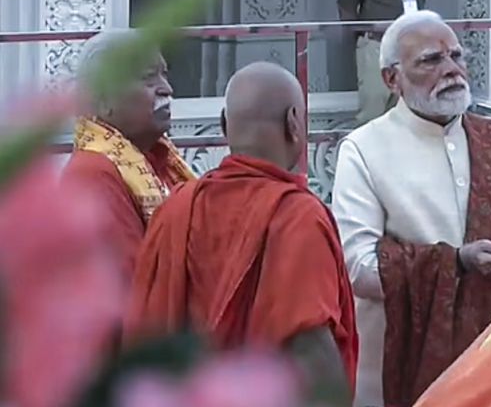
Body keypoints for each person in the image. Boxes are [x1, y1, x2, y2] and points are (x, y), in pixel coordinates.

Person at [331, 11, 491, 407]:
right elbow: (358, 268)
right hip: (404, 371)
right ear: (392, 79)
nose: (452, 70)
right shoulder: (363, 150)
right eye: (431, 60)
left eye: (456, 56)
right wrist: (459, 262)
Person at [125, 62, 357, 400]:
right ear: (294, 123)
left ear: (223, 125)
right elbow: (311, 348)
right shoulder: (298, 216)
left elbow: (146, 335)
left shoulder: (175, 208)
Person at [63, 30, 196, 283]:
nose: (167, 89)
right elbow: (132, 284)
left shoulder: (162, 160)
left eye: (164, 75)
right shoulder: (92, 175)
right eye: (148, 78)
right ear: (103, 99)